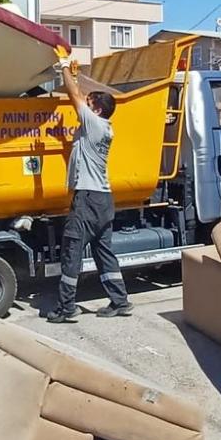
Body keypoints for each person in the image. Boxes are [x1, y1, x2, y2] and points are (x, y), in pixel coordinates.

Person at [48, 46, 133, 323]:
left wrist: (62, 65)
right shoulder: (100, 128)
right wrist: (76, 73)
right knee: (102, 250)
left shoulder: (94, 124)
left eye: (90, 101)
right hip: (103, 200)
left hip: (88, 199)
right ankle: (120, 301)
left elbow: (75, 97)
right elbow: (81, 95)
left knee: (72, 248)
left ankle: (66, 307)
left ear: (96, 109)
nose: (85, 102)